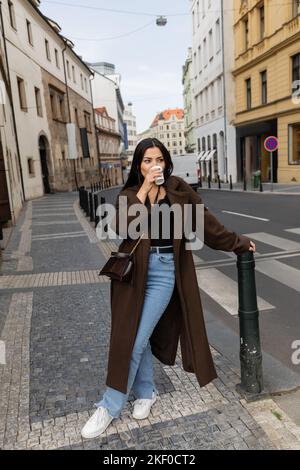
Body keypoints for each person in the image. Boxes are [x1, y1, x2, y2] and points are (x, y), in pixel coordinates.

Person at [81, 138, 256, 439]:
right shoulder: (129, 194)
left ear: (166, 162)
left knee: (133, 341)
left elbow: (206, 223)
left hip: (163, 273)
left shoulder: (177, 189)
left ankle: (108, 407)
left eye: (158, 159)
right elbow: (123, 227)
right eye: (147, 160)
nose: (154, 166)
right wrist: (146, 189)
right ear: (138, 165)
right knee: (138, 335)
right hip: (133, 275)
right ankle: (146, 392)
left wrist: (237, 243)